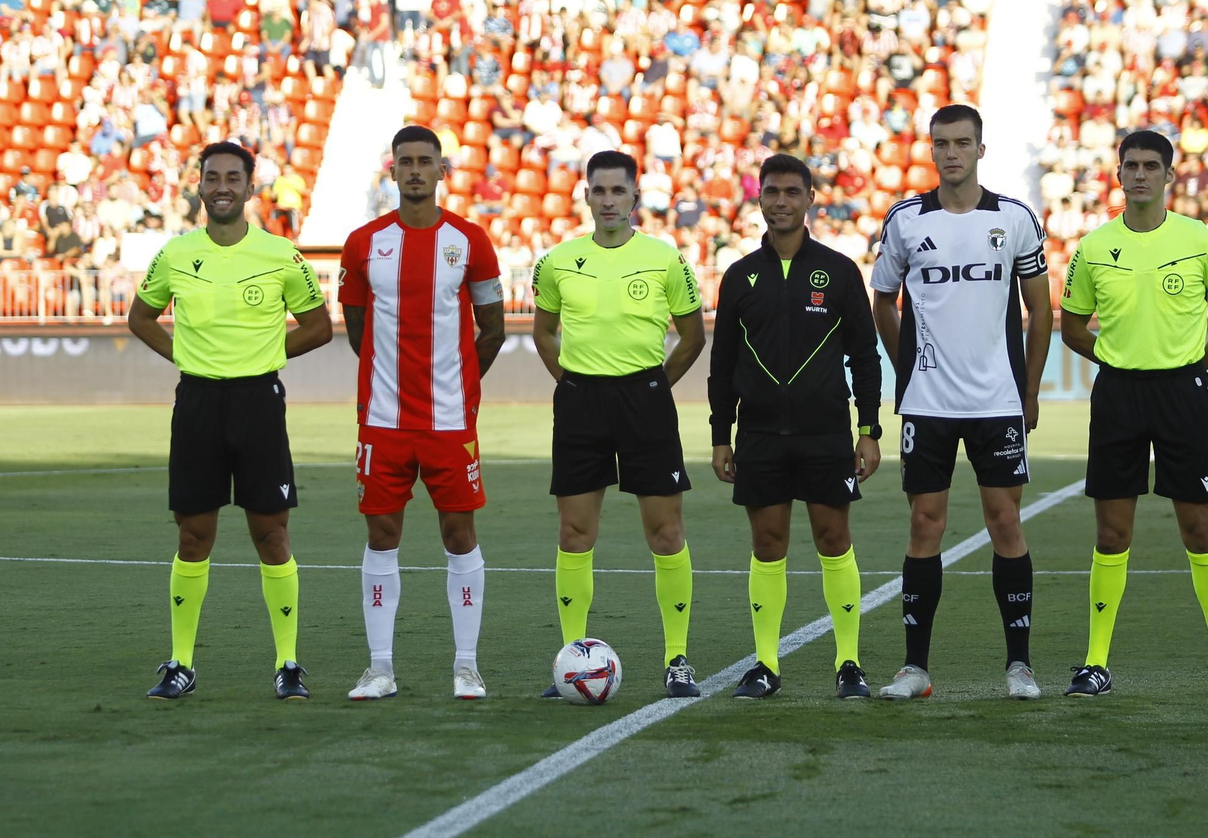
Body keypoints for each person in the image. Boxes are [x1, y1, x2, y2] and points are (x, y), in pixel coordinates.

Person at [128, 141, 334, 701]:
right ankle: (181, 663)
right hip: (197, 403)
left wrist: (264, 354)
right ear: (199, 185)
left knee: (272, 533)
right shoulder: (175, 254)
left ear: (249, 187)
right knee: (193, 535)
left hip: (259, 403)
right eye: (212, 177)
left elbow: (320, 326)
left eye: (232, 178)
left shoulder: (281, 254)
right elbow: (140, 317)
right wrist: (182, 355)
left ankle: (288, 663)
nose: (222, 186)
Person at [1059, 129, 1208, 698]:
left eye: (1150, 166)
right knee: (1112, 532)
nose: (1139, 174)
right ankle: (1095, 663)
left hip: (1181, 395)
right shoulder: (1094, 247)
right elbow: (1072, 327)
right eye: (1131, 165)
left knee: (1199, 529)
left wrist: (1195, 366)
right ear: (1118, 174)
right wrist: (1117, 361)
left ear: (1170, 176)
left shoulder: (1199, 239)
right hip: (1118, 396)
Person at [869, 104, 1054, 701]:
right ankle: (915, 669)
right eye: (942, 143)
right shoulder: (905, 219)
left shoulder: (1015, 219)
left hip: (997, 400)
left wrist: (1029, 389)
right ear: (931, 149)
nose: (951, 153)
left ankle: (1020, 667)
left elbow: (1041, 310)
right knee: (925, 524)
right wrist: (908, 370)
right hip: (928, 403)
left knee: (1006, 522)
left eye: (962, 142)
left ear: (980, 149)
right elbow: (883, 299)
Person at [338, 126, 506, 701]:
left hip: (450, 422)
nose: (414, 170)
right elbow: (358, 330)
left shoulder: (471, 240)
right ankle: (379, 669)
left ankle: (467, 667)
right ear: (392, 171)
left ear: (441, 170)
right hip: (383, 421)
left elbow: (492, 329)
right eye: (405, 161)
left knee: (460, 534)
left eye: (424, 161)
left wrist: (458, 385)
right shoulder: (363, 243)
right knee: (382, 534)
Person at [532, 150, 708, 698]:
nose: (608, 200)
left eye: (618, 190)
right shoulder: (557, 261)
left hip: (645, 401)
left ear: (635, 196)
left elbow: (693, 336)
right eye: (599, 190)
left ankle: (677, 658)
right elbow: (543, 331)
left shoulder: (664, 258)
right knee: (574, 533)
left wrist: (655, 387)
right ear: (586, 196)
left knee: (666, 533)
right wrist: (570, 383)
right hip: (580, 403)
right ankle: (572, 656)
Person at [708, 154, 884, 700]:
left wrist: (869, 429)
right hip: (759, 436)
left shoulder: (840, 271)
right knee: (768, 544)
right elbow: (722, 364)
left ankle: (849, 663)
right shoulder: (739, 276)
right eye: (771, 192)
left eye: (791, 192)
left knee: (834, 540)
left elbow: (865, 355)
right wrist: (720, 436)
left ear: (810, 199)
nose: (780, 201)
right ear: (759, 198)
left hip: (825, 432)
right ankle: (765, 664)